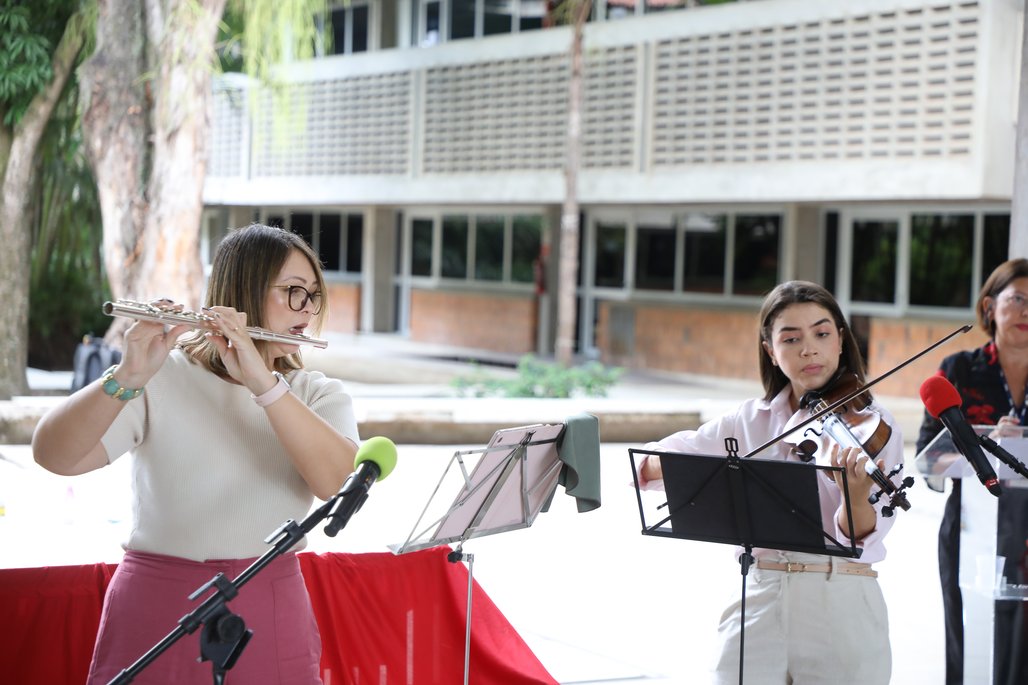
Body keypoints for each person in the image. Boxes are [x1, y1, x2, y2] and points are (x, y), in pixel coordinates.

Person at [32, 223, 360, 684]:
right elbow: (54, 456)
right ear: (243, 290)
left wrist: (264, 384)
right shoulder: (161, 377)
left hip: (269, 600)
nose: (307, 308)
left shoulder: (316, 394)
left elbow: (338, 483)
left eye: (313, 295)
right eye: (292, 291)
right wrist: (127, 375)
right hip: (157, 602)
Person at [636, 280, 903, 684]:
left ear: (840, 341)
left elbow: (862, 534)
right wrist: (683, 469)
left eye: (822, 333)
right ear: (770, 351)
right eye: (791, 338)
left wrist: (855, 497)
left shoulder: (871, 425)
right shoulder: (747, 421)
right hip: (760, 592)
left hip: (840, 596)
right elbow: (660, 460)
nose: (808, 349)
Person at [915, 258, 1028, 685]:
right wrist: (986, 446)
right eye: (1017, 299)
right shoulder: (959, 369)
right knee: (970, 640)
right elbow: (929, 457)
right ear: (989, 305)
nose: (1027, 311)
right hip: (970, 529)